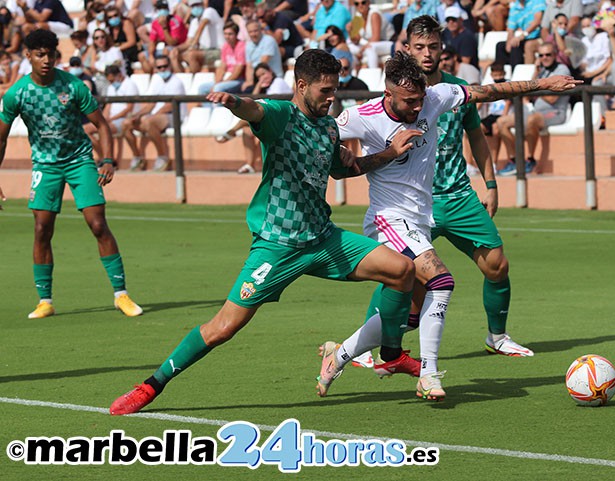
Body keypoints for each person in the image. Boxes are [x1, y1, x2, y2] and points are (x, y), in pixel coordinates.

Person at [108, 49, 419, 415]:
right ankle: (150, 386)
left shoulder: (328, 126)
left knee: (402, 271)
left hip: (323, 239)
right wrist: (233, 102)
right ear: (301, 86)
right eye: (325, 90)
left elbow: (342, 170)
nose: (332, 97)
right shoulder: (280, 116)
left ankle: (391, 354)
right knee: (223, 327)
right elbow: (254, 110)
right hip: (278, 246)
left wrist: (389, 153)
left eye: (335, 89)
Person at [336, 39, 580, 400]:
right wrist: (348, 152)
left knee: (412, 311)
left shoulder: (436, 97)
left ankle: (339, 354)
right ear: (388, 93)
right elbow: (322, 140)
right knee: (442, 281)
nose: (419, 107)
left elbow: (489, 91)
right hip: (388, 217)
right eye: (409, 102)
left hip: (422, 217)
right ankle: (429, 373)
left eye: (421, 99)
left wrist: (543, 83)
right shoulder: (361, 116)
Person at [407, 16, 533, 362]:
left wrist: (490, 184)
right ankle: (371, 345)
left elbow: (476, 135)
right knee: (398, 273)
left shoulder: (458, 90)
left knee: (497, 265)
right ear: (407, 49)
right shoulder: (400, 92)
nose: (427, 53)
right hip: (417, 202)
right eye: (419, 47)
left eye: (433, 46)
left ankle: (497, 336)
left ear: (442, 48)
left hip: (460, 196)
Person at [0, 29, 143, 319]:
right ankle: (45, 301)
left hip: (79, 161)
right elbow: (0, 138)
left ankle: (121, 295)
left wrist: (107, 160)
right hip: (45, 165)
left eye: (51, 54)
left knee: (98, 223)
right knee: (42, 229)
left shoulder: (73, 86)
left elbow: (102, 125)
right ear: (28, 56)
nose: (46, 60)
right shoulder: (17, 93)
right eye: (40, 54)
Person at [497, 41, 571, 175]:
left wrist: (536, 89)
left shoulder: (562, 70)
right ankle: (514, 161)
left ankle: (530, 159)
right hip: (536, 111)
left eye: (548, 54)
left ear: (555, 55)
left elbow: (552, 98)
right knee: (501, 122)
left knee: (532, 120)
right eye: (541, 55)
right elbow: (531, 90)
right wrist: (536, 74)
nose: (544, 58)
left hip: (555, 112)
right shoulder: (541, 71)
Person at [122, 55, 186, 171]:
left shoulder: (177, 82)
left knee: (149, 121)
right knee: (127, 123)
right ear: (156, 68)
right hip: (158, 116)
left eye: (165, 66)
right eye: (159, 67)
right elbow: (151, 103)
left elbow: (170, 106)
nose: (162, 69)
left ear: (170, 66)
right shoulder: (157, 80)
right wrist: (138, 115)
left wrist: (152, 116)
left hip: (174, 116)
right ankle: (137, 157)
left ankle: (162, 156)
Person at [86, 64, 139, 165]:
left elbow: (129, 108)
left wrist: (110, 119)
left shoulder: (130, 84)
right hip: (112, 119)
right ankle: (103, 157)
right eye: (109, 80)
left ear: (119, 75)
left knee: (105, 128)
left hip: (124, 119)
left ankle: (108, 159)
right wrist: (103, 119)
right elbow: (108, 107)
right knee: (85, 130)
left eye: (112, 80)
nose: (111, 82)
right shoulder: (111, 87)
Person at [169, 0, 224, 73]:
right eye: (193, 6)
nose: (196, 8)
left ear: (202, 4)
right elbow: (188, 42)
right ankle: (184, 78)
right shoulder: (194, 21)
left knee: (192, 55)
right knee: (175, 54)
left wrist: (194, 43)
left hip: (218, 50)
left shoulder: (209, 11)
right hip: (203, 51)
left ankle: (196, 76)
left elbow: (202, 25)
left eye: (197, 5)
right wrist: (177, 49)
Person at [198, 21, 246, 95]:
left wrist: (221, 83)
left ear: (236, 34)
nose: (227, 36)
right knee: (202, 88)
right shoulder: (225, 46)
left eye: (230, 34)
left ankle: (219, 106)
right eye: (225, 34)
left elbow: (237, 71)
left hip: (238, 79)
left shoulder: (242, 46)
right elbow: (222, 66)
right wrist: (217, 82)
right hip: (226, 78)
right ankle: (210, 107)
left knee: (218, 88)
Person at [495, 0, 547, 67]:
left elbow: (537, 21)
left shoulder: (537, 2)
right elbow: (511, 28)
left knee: (516, 45)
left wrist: (523, 35)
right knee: (500, 46)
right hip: (524, 38)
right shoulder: (515, 6)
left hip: (539, 37)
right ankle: (500, 73)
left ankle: (517, 73)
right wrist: (509, 41)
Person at [349, 0, 394, 69]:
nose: (360, 5)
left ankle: (373, 72)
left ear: (368, 3)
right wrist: (350, 31)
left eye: (363, 2)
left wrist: (361, 50)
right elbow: (355, 40)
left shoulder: (374, 14)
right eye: (356, 4)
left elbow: (376, 38)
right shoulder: (357, 16)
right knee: (350, 46)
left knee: (371, 48)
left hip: (389, 42)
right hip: (371, 44)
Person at [241, 19, 283, 92]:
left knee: (247, 93)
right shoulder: (248, 45)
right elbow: (249, 66)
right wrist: (249, 81)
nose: (253, 34)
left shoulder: (269, 40)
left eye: (255, 31)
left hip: (272, 79)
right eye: (250, 32)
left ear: (261, 30)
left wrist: (252, 82)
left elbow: (262, 65)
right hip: (259, 79)